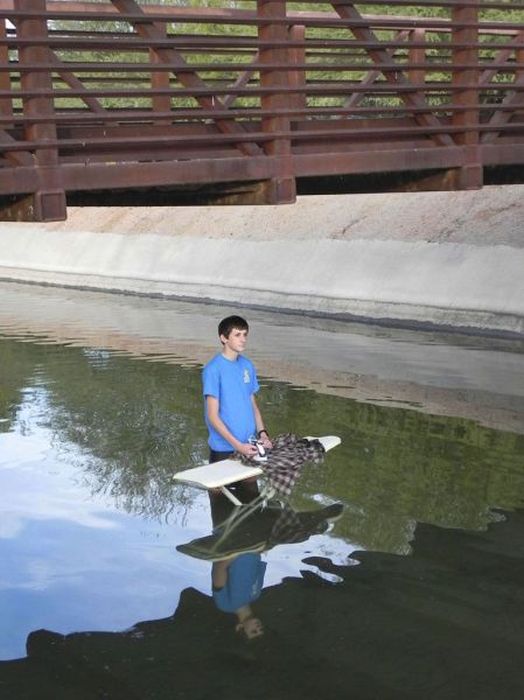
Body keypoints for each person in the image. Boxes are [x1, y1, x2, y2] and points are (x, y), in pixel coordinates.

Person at [202, 315, 272, 466]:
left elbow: (252, 404)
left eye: (245, 334)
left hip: (249, 444)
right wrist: (237, 446)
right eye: (237, 335)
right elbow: (212, 416)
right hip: (223, 447)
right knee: (218, 489)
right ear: (224, 338)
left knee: (250, 488)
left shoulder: (247, 365)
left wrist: (263, 433)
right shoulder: (213, 369)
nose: (243, 339)